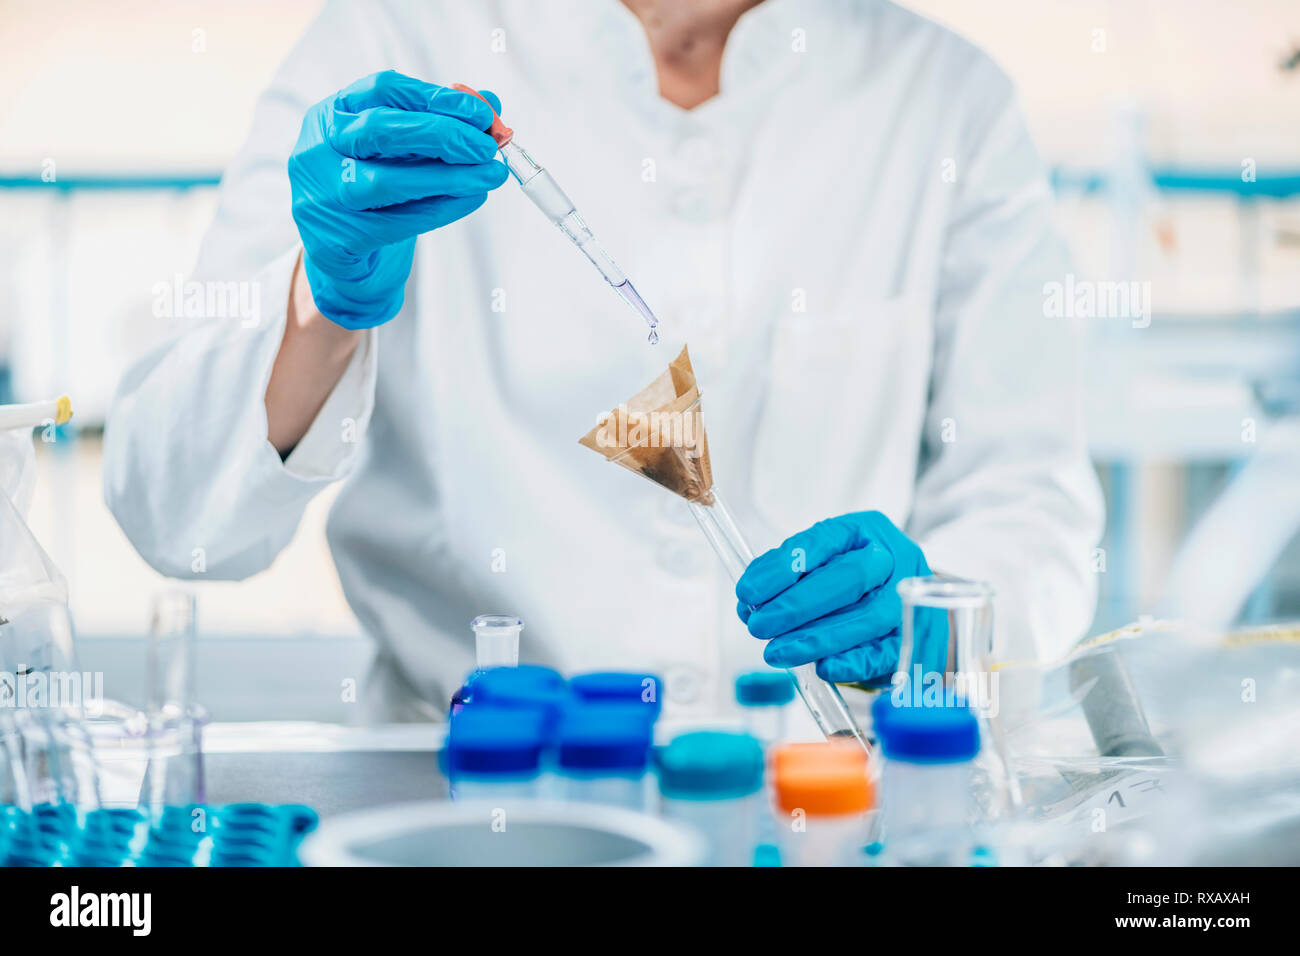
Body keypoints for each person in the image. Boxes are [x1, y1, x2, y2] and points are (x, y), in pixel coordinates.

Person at [104, 0, 1103, 722]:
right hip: (472, 789)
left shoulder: (945, 99)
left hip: (824, 783)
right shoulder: (396, 38)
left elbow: (1033, 498)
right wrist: (323, 298)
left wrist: (940, 614)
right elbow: (177, 516)